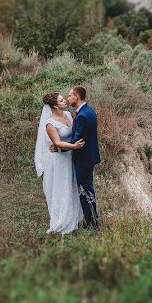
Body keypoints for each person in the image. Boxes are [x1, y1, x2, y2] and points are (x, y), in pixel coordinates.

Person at [34, 92, 84, 234]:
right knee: (61, 188)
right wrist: (73, 147)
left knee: (70, 185)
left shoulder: (68, 115)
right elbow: (56, 142)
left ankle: (72, 217)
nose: (65, 102)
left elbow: (73, 134)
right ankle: (60, 221)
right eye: (62, 101)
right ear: (55, 106)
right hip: (58, 160)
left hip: (68, 157)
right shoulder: (50, 123)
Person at [57, 86, 101, 230]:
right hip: (88, 157)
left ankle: (92, 224)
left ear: (77, 97)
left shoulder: (82, 115)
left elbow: (77, 140)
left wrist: (59, 146)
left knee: (85, 190)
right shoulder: (87, 111)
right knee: (87, 189)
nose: (68, 98)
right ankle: (92, 220)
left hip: (84, 158)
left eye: (70, 96)